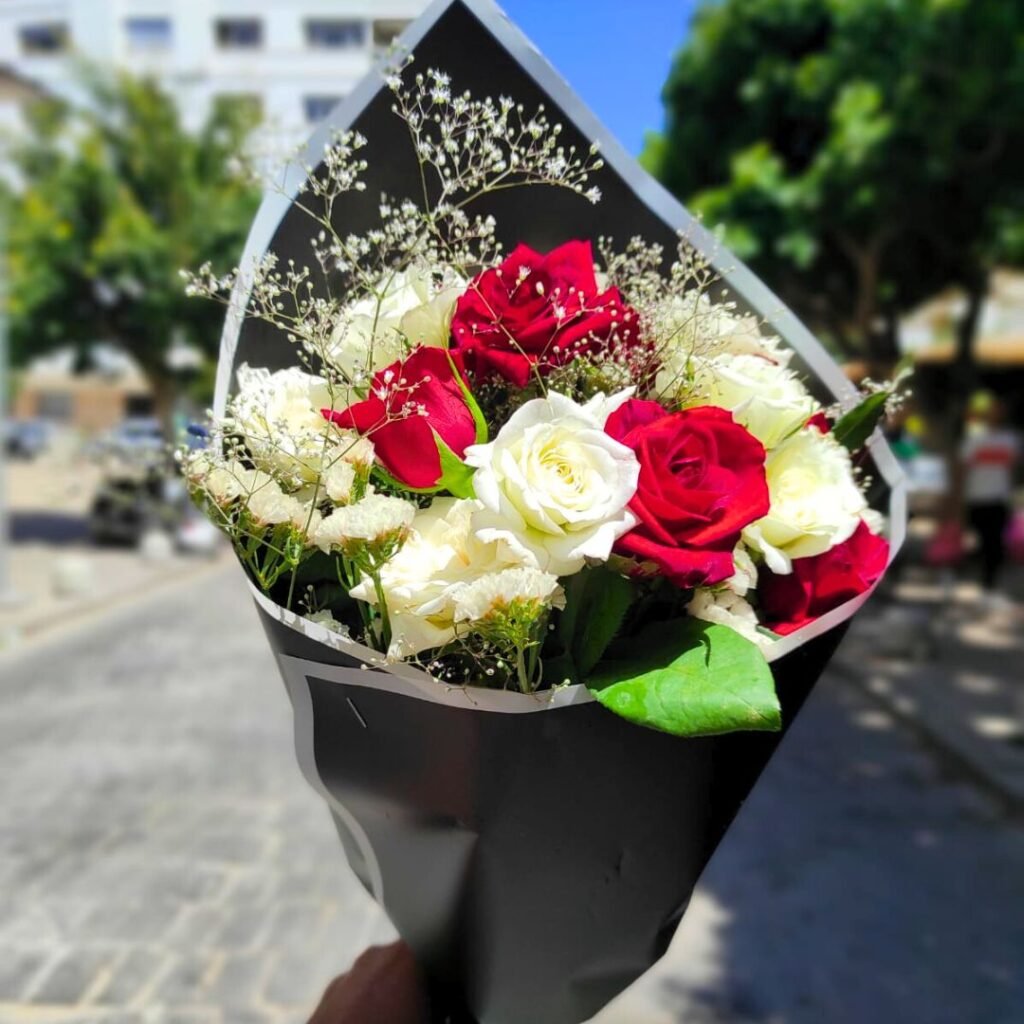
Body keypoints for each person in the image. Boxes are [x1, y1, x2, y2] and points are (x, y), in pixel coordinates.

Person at [959, 392, 1019, 594]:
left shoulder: (1012, 439)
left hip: (1000, 497)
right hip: (976, 496)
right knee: (980, 538)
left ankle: (989, 580)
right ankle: (980, 573)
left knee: (995, 540)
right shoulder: (975, 438)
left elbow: (1014, 469)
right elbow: (963, 468)